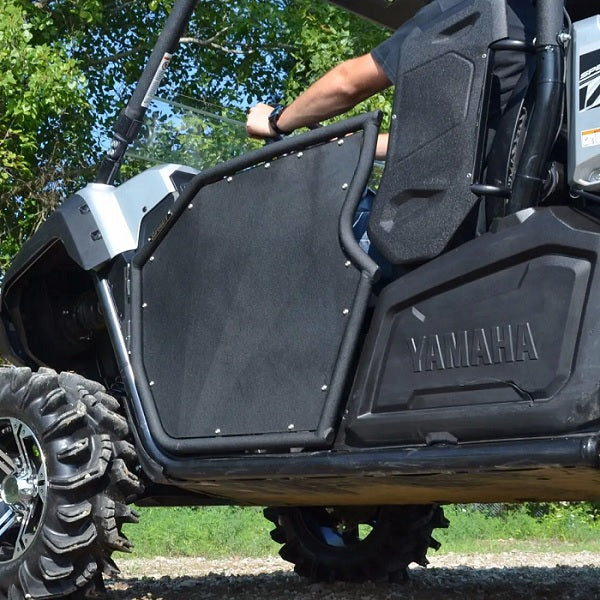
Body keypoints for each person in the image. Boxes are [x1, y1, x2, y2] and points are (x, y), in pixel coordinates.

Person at [246, 0, 535, 153]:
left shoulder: (470, 9)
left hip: (428, 233)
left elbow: (348, 83)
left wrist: (276, 122)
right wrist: (343, 145)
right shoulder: (552, 34)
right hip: (485, 229)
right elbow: (434, 144)